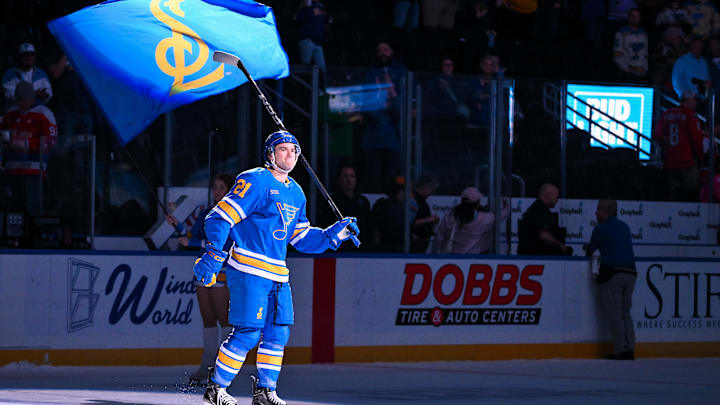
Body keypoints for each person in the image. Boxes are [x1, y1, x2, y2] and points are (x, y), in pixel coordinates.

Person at [197, 131, 359, 405]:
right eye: (283, 149)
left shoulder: (296, 192)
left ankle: (265, 391)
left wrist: (331, 236)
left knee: (277, 333)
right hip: (249, 270)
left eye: (294, 150)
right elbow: (219, 216)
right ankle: (216, 389)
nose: (290, 155)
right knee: (247, 332)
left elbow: (301, 238)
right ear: (270, 155)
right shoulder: (255, 180)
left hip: (278, 274)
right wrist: (214, 252)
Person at [166, 173, 235, 384]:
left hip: (220, 269)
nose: (216, 191)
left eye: (221, 187)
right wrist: (177, 225)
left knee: (223, 319)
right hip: (203, 270)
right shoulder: (206, 213)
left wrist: (194, 244)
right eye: (215, 187)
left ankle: (223, 368)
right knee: (207, 320)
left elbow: (225, 245)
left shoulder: (233, 215)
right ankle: (206, 365)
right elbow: (193, 236)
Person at [584, 199, 637, 360]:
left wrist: (588, 249)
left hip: (613, 274)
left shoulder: (600, 228)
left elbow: (591, 249)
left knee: (615, 314)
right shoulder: (625, 227)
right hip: (631, 273)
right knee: (625, 313)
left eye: (598, 210)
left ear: (605, 211)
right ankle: (630, 347)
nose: (596, 213)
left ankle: (621, 350)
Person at [0, 80, 57, 216]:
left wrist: (27, 145)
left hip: (34, 171)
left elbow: (51, 141)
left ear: (31, 98)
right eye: (18, 99)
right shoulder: (10, 114)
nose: (20, 103)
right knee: (12, 210)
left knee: (31, 210)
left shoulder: (44, 113)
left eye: (23, 100)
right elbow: (3, 136)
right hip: (12, 171)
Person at [653, 91, 705, 201]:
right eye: (694, 100)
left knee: (674, 194)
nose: (695, 103)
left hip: (670, 161)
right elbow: (697, 139)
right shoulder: (690, 115)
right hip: (687, 162)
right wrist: (701, 158)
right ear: (687, 100)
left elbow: (657, 135)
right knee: (691, 194)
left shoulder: (666, 114)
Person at [431, 186, 509, 254]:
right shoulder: (482, 219)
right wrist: (506, 206)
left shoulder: (450, 216)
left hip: (451, 258)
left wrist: (433, 255)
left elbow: (439, 238)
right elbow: (502, 214)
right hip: (472, 259)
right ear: (477, 203)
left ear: (461, 201)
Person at [319, 165, 374, 251]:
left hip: (361, 250)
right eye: (345, 176)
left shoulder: (363, 201)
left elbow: (369, 227)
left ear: (356, 179)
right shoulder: (331, 201)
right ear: (339, 179)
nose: (349, 180)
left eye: (352, 176)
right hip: (338, 249)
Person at [517, 183, 570, 255]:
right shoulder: (539, 210)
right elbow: (543, 235)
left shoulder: (537, 208)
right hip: (535, 256)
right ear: (549, 195)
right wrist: (561, 246)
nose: (557, 200)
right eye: (556, 197)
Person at [2, 43, 52, 108]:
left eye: (31, 55)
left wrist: (45, 95)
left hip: (37, 110)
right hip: (16, 111)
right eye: (25, 55)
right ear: (19, 57)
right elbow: (9, 94)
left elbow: (48, 92)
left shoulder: (41, 73)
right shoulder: (10, 74)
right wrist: (32, 94)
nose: (28, 58)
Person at [613, 8, 648, 80]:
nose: (635, 18)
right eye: (633, 16)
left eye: (637, 16)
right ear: (628, 17)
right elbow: (617, 53)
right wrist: (626, 69)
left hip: (641, 71)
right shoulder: (621, 33)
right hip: (627, 72)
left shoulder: (643, 33)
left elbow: (645, 53)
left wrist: (645, 68)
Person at [294, 0, 327, 72]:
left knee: (322, 67)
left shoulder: (321, 6)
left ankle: (323, 83)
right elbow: (299, 19)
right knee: (305, 67)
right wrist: (306, 7)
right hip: (307, 40)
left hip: (318, 41)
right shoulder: (306, 4)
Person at [410, 174, 440, 253]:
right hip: (415, 242)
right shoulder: (413, 201)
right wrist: (429, 220)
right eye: (432, 189)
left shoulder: (422, 201)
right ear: (425, 187)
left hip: (420, 242)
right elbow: (410, 223)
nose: (432, 193)